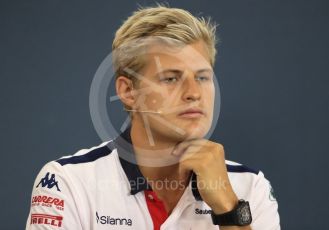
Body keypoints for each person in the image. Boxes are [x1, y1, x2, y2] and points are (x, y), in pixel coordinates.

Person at [26, 4, 280, 230]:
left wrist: (227, 207)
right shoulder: (68, 182)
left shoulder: (251, 187)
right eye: (170, 78)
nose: (194, 93)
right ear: (128, 91)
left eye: (202, 77)